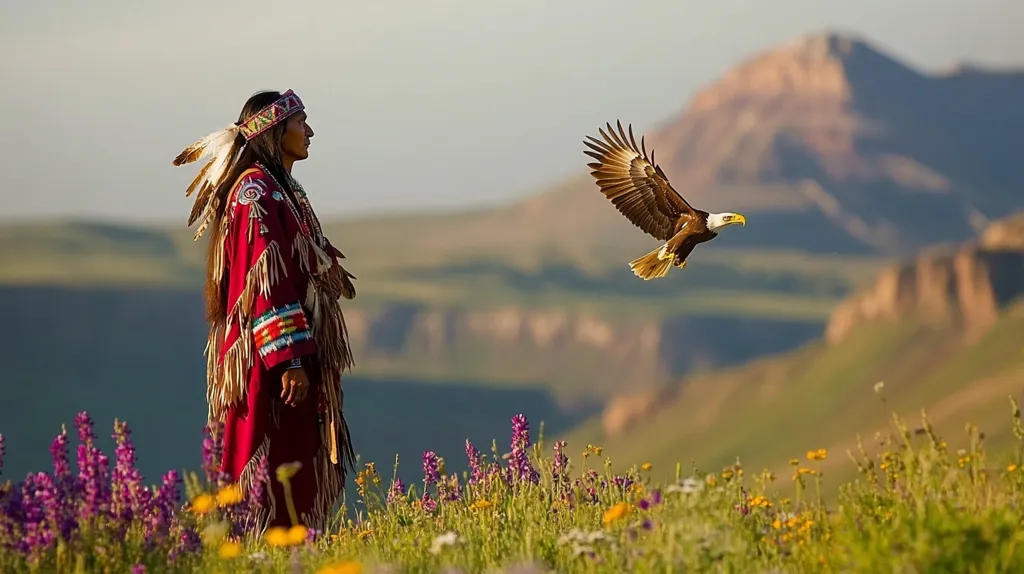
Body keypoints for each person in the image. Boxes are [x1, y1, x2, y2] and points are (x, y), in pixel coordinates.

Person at [172, 89, 357, 532]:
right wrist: (288, 358)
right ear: (275, 132)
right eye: (301, 123)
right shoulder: (254, 192)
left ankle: (288, 548)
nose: (309, 131)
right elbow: (265, 280)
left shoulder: (283, 189)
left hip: (290, 355)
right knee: (263, 461)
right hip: (268, 362)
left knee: (290, 464)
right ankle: (252, 548)